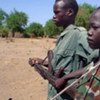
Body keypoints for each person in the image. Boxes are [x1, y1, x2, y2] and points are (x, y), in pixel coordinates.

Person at [29, 0, 98, 99]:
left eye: (57, 12)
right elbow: (63, 64)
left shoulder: (79, 34)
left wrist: (67, 78)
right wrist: (42, 62)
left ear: (69, 12)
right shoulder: (63, 37)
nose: (53, 16)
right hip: (54, 95)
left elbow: (96, 65)